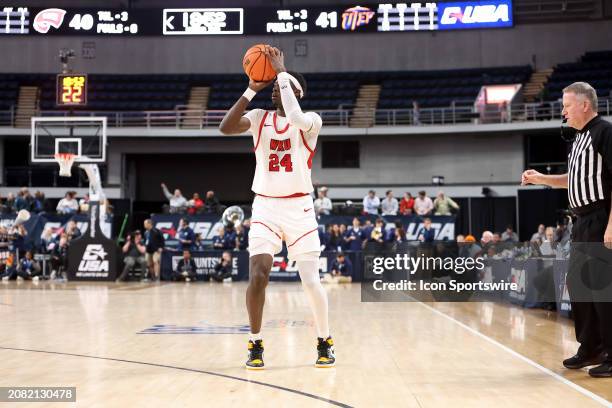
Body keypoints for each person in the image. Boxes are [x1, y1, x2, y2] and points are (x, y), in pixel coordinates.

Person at [219, 45, 334, 369]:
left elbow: (295, 115)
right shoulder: (259, 118)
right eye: (272, 87)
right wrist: (250, 88)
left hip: (300, 209)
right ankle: (255, 343)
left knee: (310, 281)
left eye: (279, 87)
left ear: (296, 91)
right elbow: (225, 127)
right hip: (267, 207)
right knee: (258, 274)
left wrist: (282, 71)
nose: (274, 92)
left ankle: (324, 339)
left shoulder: (311, 121)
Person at [522, 81, 612, 377]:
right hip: (581, 221)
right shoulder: (577, 140)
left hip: (602, 217)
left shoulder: (605, 132)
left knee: (602, 289)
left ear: (585, 105)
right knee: (579, 286)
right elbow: (573, 180)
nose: (563, 111)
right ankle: (591, 347)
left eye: (567, 105)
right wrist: (541, 178)